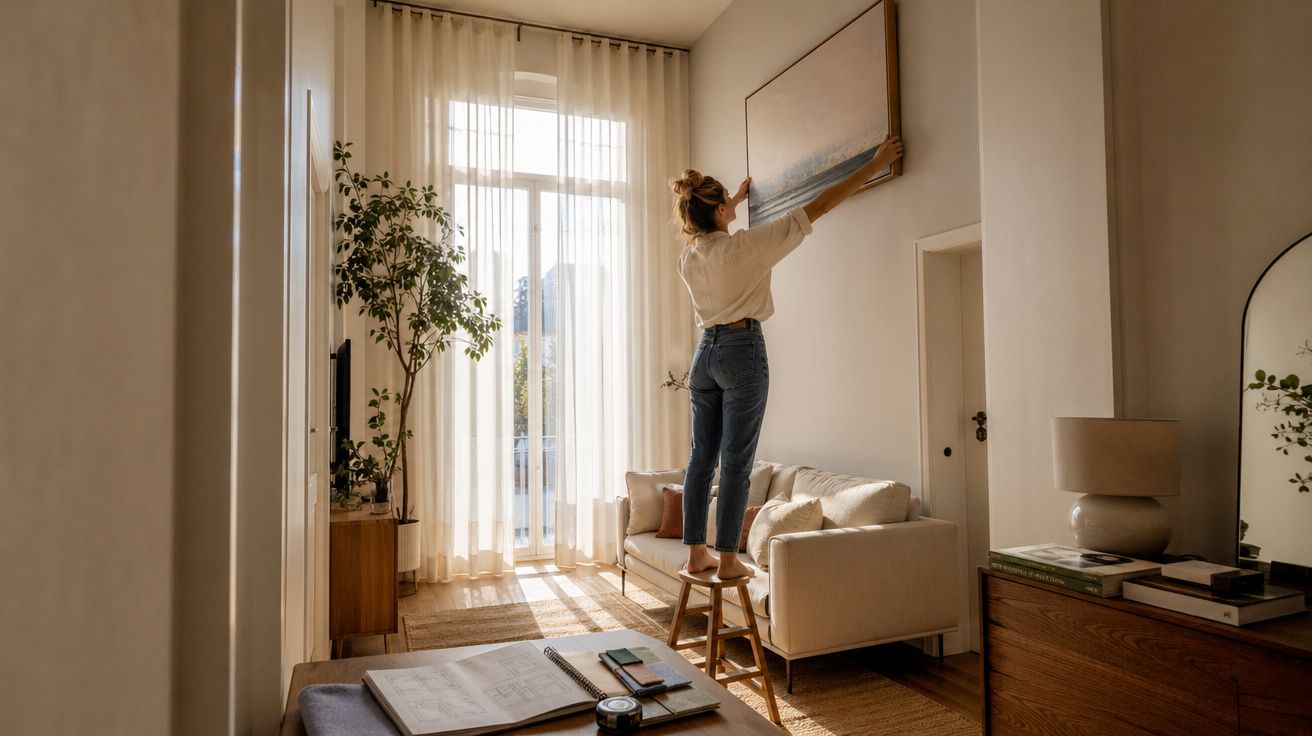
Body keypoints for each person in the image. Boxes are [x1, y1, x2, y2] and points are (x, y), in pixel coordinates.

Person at [670, 134, 905, 579]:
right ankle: (728, 563)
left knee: (702, 459)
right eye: (728, 204)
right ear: (719, 211)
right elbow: (817, 207)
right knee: (737, 460)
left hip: (704, 355)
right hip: (742, 351)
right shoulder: (746, 247)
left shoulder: (688, 258)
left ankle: (695, 553)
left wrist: (732, 199)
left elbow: (711, 231)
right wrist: (873, 164)